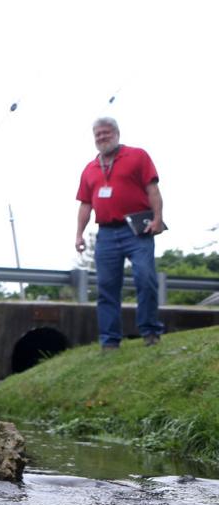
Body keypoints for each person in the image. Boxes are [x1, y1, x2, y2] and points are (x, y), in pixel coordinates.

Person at [75, 117, 165, 349]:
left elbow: (152, 189)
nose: (102, 138)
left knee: (145, 278)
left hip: (137, 229)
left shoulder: (137, 156)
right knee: (106, 287)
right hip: (106, 233)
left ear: (116, 133)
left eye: (106, 133)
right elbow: (85, 204)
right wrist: (79, 234)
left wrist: (157, 219)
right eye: (98, 135)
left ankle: (150, 332)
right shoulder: (90, 169)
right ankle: (110, 341)